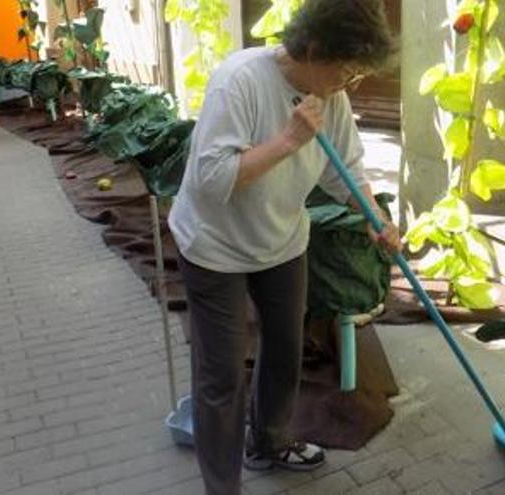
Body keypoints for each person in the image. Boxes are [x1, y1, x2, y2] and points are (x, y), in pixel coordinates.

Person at [168, 1, 398, 493]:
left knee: (286, 351)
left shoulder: (330, 97)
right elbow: (211, 181)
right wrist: (288, 141)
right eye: (347, 69)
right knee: (223, 375)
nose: (349, 83)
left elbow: (346, 172)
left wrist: (375, 218)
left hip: (282, 242)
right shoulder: (240, 82)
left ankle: (269, 442)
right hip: (215, 247)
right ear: (313, 48)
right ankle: (222, 485)